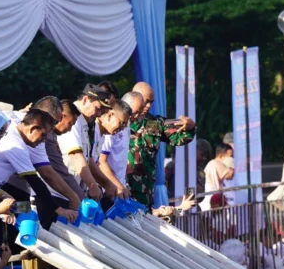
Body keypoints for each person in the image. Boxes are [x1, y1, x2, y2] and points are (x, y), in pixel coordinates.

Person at [0, 109, 79, 230]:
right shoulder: (17, 146)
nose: (44, 140)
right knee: (13, 215)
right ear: (33, 128)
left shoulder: (13, 132)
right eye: (43, 135)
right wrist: (59, 209)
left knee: (26, 208)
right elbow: (35, 181)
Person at [127, 81, 197, 210]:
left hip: (144, 193)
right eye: (146, 101)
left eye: (151, 102)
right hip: (122, 190)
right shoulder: (119, 121)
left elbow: (179, 136)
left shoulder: (152, 124)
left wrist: (190, 126)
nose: (148, 106)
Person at [59, 85, 113, 202]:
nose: (99, 114)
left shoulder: (86, 122)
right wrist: (92, 185)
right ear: (85, 100)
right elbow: (76, 156)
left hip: (71, 190)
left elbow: (88, 160)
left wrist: (107, 184)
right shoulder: (72, 119)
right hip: (60, 191)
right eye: (97, 108)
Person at [32, 96, 86, 203]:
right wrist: (80, 198)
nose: (70, 129)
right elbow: (58, 170)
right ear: (62, 117)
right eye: (70, 124)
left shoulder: (52, 135)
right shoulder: (48, 136)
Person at [201, 143, 235, 211]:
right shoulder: (216, 164)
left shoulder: (212, 164)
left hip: (211, 205)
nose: (232, 159)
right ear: (221, 156)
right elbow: (230, 174)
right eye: (230, 157)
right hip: (213, 206)